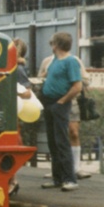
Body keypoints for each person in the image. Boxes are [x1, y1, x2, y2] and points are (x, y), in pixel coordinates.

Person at [38, 45, 92, 181]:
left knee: (72, 132)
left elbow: (84, 80)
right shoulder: (48, 61)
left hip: (70, 99)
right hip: (52, 101)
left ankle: (75, 168)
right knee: (56, 136)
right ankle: (59, 171)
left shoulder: (74, 60)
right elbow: (40, 78)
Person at [10, 38, 34, 196]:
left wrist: (13, 92)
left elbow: (28, 92)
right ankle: (11, 180)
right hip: (10, 112)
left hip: (12, 112)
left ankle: (12, 180)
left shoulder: (17, 69)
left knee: (12, 143)